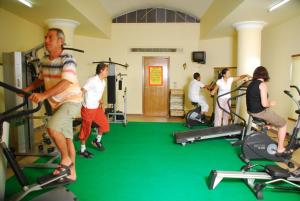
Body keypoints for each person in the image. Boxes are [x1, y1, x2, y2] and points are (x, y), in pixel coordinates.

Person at [23, 28, 82, 183]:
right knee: (68, 139)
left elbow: (66, 82)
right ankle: (72, 173)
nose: (46, 40)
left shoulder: (68, 59)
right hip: (57, 104)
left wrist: (43, 95)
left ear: (60, 41)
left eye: (50, 37)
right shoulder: (44, 60)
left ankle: (65, 161)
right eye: (45, 37)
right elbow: (41, 79)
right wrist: (27, 90)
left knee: (52, 128)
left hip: (72, 100)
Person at [246, 66, 290, 155]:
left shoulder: (250, 84)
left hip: (250, 111)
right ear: (265, 75)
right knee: (283, 124)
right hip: (259, 112)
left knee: (273, 116)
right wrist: (271, 103)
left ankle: (268, 126)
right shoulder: (262, 84)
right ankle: (280, 148)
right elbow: (264, 104)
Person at [78, 63, 110, 158]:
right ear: (101, 71)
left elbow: (97, 95)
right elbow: (82, 91)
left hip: (96, 108)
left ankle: (97, 140)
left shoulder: (103, 82)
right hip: (88, 109)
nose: (107, 72)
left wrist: (101, 103)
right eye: (106, 70)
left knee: (105, 126)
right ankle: (82, 150)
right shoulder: (92, 80)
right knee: (86, 130)